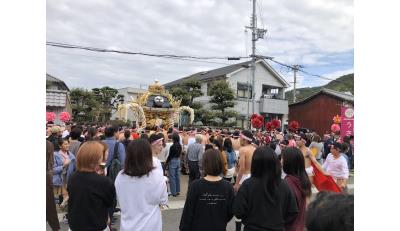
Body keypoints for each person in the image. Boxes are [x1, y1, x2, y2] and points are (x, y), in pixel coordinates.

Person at [233, 146, 298, 231]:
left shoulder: (248, 185)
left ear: (255, 163)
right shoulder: (284, 185)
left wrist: (249, 219)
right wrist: (279, 221)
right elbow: (292, 212)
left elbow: (238, 211)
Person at [115, 139, 168, 231]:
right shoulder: (156, 175)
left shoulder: (120, 176)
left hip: (127, 225)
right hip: (150, 224)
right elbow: (163, 200)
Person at [179, 149, 234, 231]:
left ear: (205, 163)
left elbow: (188, 213)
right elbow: (230, 212)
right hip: (219, 227)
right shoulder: (228, 187)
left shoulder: (195, 186)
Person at [67, 141, 116, 231]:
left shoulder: (73, 177)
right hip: (96, 226)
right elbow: (110, 203)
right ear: (97, 158)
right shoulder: (104, 181)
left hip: (75, 226)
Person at [281, 147, 312, 231]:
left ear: (288, 162)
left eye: (282, 158)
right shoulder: (303, 179)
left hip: (289, 227)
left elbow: (286, 212)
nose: (281, 161)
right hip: (300, 225)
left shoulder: (287, 183)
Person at [53, 138, 76, 208]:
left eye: (68, 144)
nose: (68, 145)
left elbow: (75, 168)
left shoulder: (71, 155)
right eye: (65, 144)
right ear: (60, 146)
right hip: (59, 180)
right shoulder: (55, 155)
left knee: (68, 196)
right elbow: (53, 170)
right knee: (59, 197)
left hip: (69, 179)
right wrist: (63, 166)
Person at [46, 141, 60, 231]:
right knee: (50, 206)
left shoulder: (48, 144)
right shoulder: (48, 144)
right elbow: (50, 164)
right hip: (46, 179)